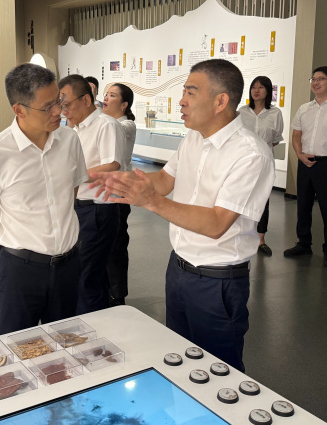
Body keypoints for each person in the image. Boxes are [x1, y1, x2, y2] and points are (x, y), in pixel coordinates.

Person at [92, 59, 274, 372]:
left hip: (218, 282)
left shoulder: (250, 154)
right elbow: (165, 180)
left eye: (190, 92)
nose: (181, 101)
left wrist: (151, 201)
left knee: (219, 372)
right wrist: (125, 180)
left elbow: (217, 223)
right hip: (178, 270)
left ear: (220, 101)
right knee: (180, 361)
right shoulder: (193, 138)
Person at [0, 64, 87, 335]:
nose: (58, 111)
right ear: (19, 110)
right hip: (20, 272)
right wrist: (16, 261)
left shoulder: (69, 140)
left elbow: (71, 194)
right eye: (47, 107)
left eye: (59, 100)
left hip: (69, 265)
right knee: (16, 349)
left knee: (67, 344)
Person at [59, 74, 124, 315]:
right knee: (89, 274)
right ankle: (100, 322)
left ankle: (90, 328)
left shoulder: (106, 125)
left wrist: (73, 175)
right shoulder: (74, 129)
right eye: (60, 105)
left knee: (86, 277)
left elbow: (112, 164)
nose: (64, 111)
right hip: (79, 207)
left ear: (86, 100)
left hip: (97, 209)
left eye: (67, 104)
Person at [284, 66, 327, 267]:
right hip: (305, 162)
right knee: (302, 205)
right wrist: (299, 155)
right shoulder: (304, 109)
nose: (315, 82)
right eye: (313, 79)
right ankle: (304, 243)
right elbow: (296, 135)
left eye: (320, 79)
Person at [238, 76, 283, 256]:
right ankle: (239, 235)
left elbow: (276, 138)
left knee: (263, 200)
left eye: (261, 87)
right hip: (244, 162)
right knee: (241, 197)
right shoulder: (242, 112)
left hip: (264, 163)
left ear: (268, 91)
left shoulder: (275, 113)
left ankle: (261, 239)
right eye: (253, 87)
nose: (256, 90)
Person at [102, 83, 137, 306]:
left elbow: (111, 130)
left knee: (116, 246)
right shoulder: (105, 123)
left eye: (112, 95)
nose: (105, 98)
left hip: (118, 195)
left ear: (124, 105)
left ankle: (117, 295)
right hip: (101, 194)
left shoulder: (126, 125)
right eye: (106, 94)